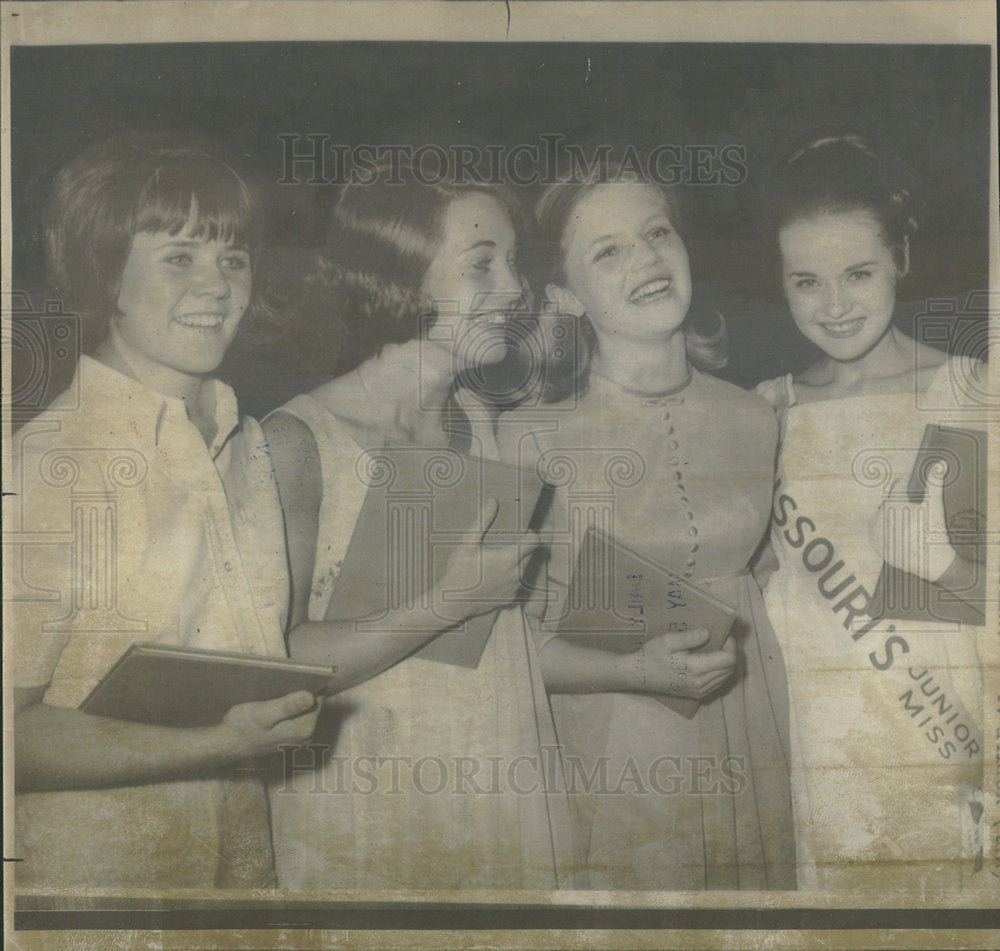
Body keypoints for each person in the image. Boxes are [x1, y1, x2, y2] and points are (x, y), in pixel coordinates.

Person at [10, 133, 322, 889]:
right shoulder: (53, 462)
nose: (217, 286)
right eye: (179, 257)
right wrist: (218, 744)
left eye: (233, 259)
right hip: (96, 892)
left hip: (236, 883)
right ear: (105, 274)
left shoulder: (246, 447)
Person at [262, 167, 576, 890]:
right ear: (400, 277)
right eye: (481, 265)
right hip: (365, 809)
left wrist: (638, 667)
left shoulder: (482, 422)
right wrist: (445, 603)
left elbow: (509, 648)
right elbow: (279, 663)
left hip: (503, 784)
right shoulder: (298, 440)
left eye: (513, 262)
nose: (515, 288)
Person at [495, 170, 797, 890]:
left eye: (657, 232)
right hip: (614, 759)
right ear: (564, 295)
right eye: (607, 251)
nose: (648, 257)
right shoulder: (526, 438)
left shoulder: (760, 416)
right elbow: (494, 658)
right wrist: (634, 669)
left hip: (757, 738)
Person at [756, 133, 986, 890]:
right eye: (806, 281)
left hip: (959, 746)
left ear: (902, 261)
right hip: (828, 754)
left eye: (858, 272)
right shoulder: (769, 414)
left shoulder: (971, 391)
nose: (835, 305)